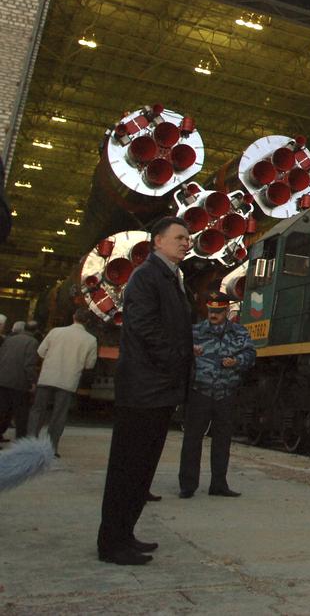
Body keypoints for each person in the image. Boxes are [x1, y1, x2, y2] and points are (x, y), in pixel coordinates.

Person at [97, 218, 194, 566]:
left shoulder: (170, 277)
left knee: (142, 469)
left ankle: (125, 533)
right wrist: (176, 359)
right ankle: (111, 543)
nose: (187, 242)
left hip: (158, 387)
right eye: (180, 237)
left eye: (188, 237)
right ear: (158, 241)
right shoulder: (146, 276)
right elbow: (144, 327)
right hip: (144, 387)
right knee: (128, 467)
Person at [179, 294, 255, 498]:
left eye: (218, 312)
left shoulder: (239, 332)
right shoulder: (194, 332)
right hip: (200, 392)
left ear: (226, 311)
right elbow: (177, 354)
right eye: (211, 311)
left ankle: (219, 484)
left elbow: (250, 355)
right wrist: (190, 352)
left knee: (222, 441)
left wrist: (237, 361)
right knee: (192, 439)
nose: (213, 315)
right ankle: (187, 485)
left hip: (225, 393)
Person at [28, 309, 98, 456]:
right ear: (88, 322)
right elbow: (89, 365)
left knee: (38, 411)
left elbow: (41, 352)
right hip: (68, 381)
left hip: (47, 377)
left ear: (73, 317)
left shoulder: (55, 332)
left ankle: (30, 444)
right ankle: (52, 448)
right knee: (59, 415)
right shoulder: (91, 340)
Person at [0, 321, 39, 443]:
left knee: (2, 410)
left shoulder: (9, 339)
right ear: (35, 330)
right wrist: (32, 382)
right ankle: (20, 441)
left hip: (3, 379)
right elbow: (29, 364)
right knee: (21, 414)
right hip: (19, 382)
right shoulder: (32, 342)